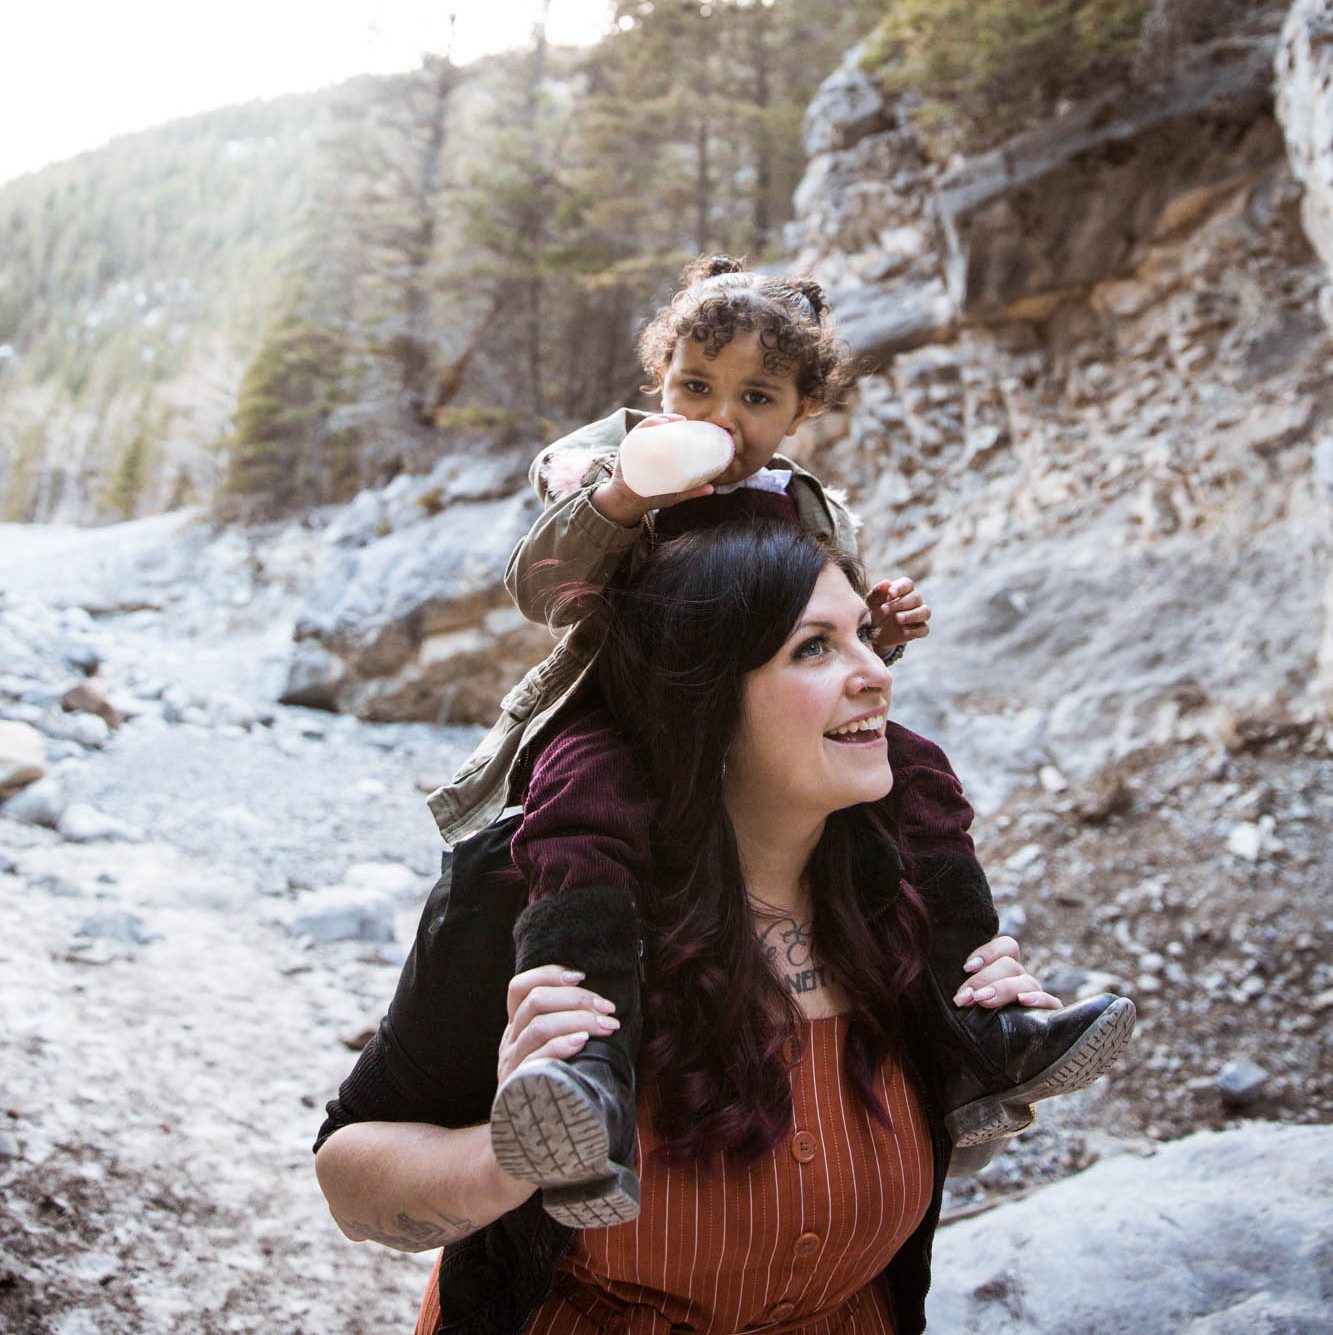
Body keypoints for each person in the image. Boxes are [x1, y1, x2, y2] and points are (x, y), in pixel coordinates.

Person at [421, 256, 1133, 1226]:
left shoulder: (806, 507)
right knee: (580, 814)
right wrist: (624, 497)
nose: (719, 415)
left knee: (919, 774)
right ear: (659, 383)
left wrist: (876, 626)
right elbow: (540, 590)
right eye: (695, 386)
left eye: (755, 396)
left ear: (799, 412)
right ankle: (586, 1076)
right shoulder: (610, 463)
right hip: (626, 713)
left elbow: (821, 637)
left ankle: (984, 1033)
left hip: (751, 724)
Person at [314, 522, 1134, 1335]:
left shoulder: (905, 887)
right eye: (813, 648)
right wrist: (503, 1162)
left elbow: (889, 1174)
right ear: (704, 697)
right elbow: (347, 1177)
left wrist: (988, 1083)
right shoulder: (542, 897)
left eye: (864, 638)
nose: (874, 675)